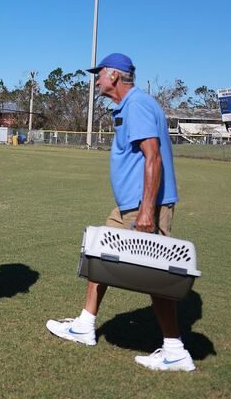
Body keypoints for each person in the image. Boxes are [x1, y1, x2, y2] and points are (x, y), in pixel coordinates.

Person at [46, 53, 195, 372]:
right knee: (100, 257)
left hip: (143, 207)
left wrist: (146, 212)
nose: (96, 79)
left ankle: (174, 349)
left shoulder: (137, 104)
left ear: (114, 76)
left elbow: (152, 157)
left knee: (157, 275)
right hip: (130, 206)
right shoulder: (128, 106)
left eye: (99, 74)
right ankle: (85, 325)